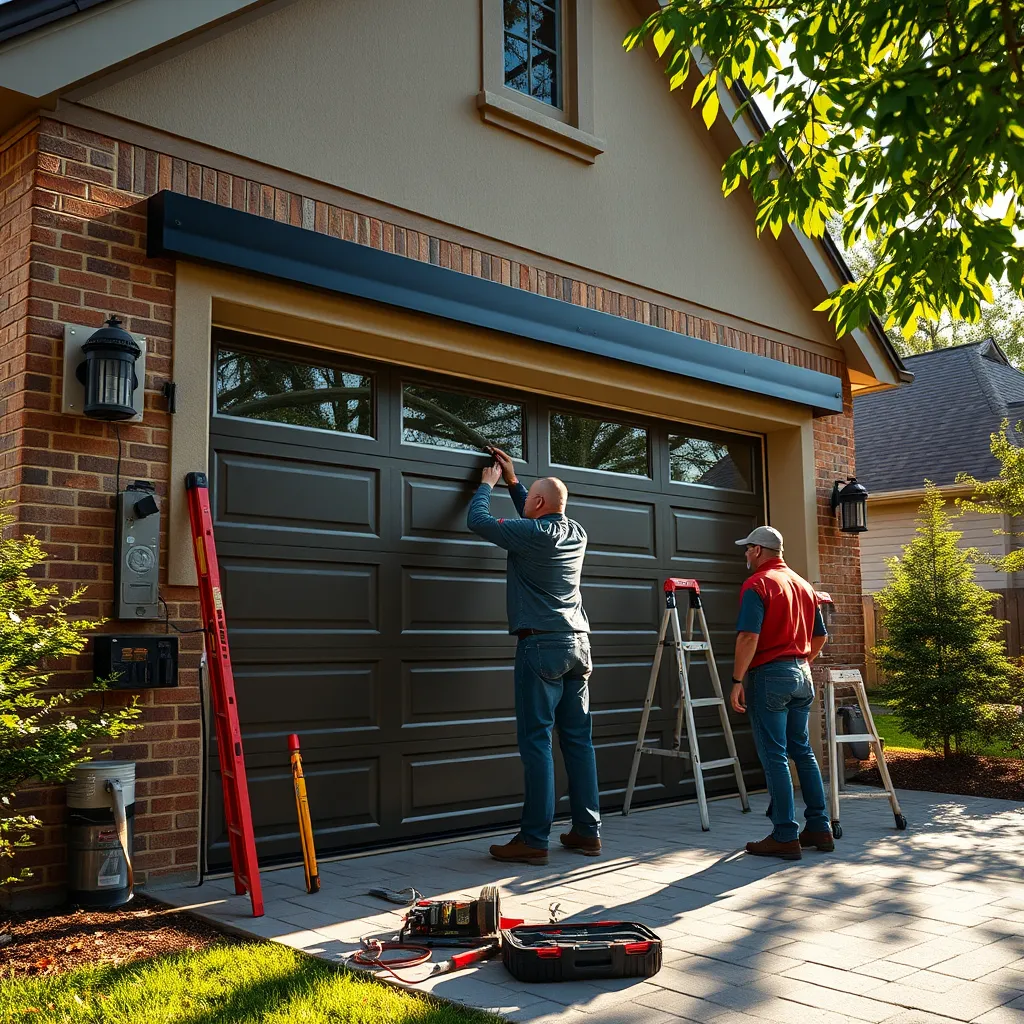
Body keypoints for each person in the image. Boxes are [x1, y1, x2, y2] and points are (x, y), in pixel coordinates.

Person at [466, 447, 601, 865]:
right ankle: (587, 831)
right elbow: (536, 513)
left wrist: (486, 486)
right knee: (578, 741)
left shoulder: (531, 534)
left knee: (537, 742)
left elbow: (478, 521)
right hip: (578, 643)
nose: (525, 503)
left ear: (539, 505)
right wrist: (513, 482)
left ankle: (533, 839)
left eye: (529, 499)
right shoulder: (576, 531)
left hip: (541, 646)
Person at [729, 526, 833, 860]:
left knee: (774, 754)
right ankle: (819, 827)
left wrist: (736, 680)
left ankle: (785, 835)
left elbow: (748, 637)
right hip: (802, 673)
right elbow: (821, 637)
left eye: (747, 548)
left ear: (758, 550)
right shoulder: (804, 585)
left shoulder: (757, 584)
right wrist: (800, 662)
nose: (745, 553)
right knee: (802, 751)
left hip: (770, 676)